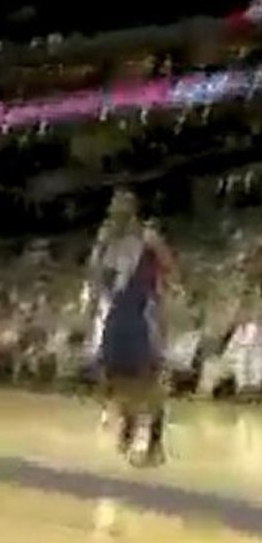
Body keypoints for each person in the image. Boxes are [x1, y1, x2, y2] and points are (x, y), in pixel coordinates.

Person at [87, 188, 179, 467]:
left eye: (121, 205)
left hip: (142, 309)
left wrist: (165, 296)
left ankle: (154, 441)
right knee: (113, 375)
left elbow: (170, 268)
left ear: (133, 209)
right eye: (113, 206)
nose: (115, 211)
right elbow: (96, 277)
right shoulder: (108, 240)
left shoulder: (147, 238)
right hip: (117, 311)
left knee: (148, 377)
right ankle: (127, 425)